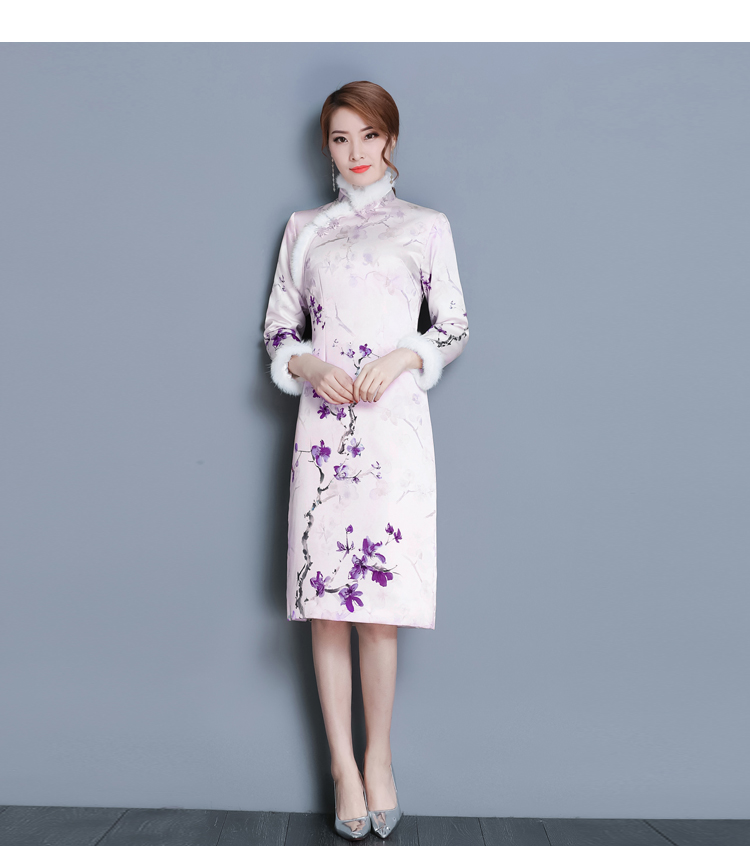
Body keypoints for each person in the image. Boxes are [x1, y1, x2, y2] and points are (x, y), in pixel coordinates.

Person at [263, 81, 469, 840]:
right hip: (323, 432)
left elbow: (454, 325)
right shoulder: (304, 230)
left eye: (369, 136)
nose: (355, 152)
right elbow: (278, 328)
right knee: (326, 609)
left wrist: (406, 355)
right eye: (340, 138)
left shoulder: (426, 226)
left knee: (380, 613)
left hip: (393, 433)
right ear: (327, 146)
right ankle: (342, 770)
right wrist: (309, 365)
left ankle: (379, 759)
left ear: (391, 139)